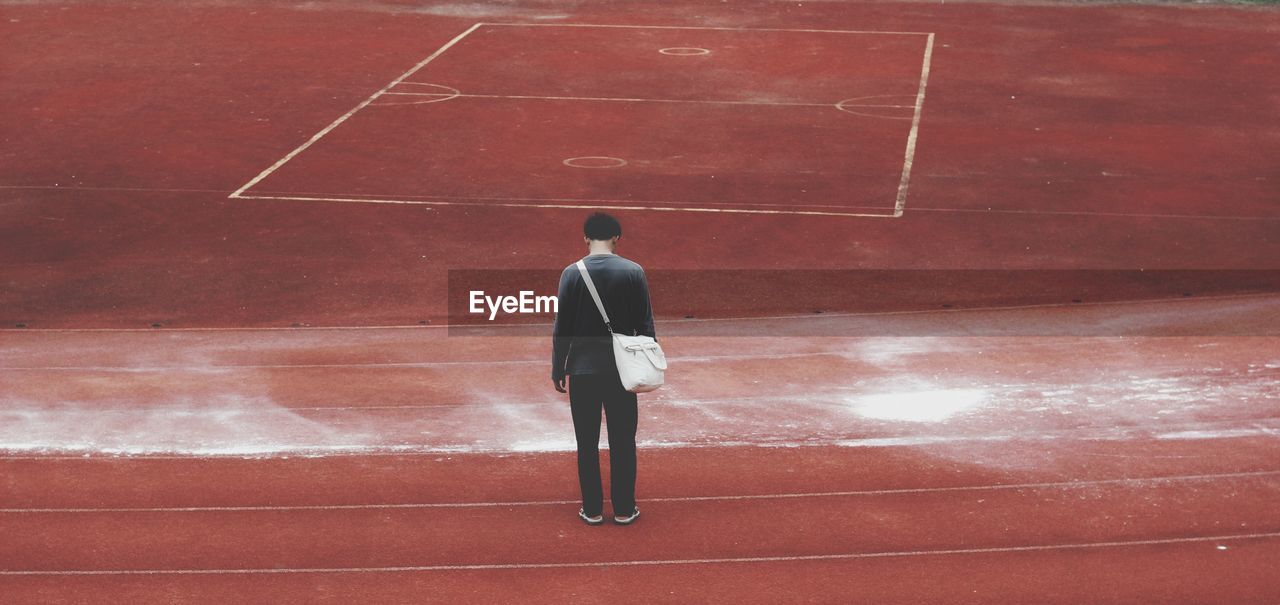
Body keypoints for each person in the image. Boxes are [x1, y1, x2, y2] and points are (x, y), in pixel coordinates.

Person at [552, 212, 655, 526]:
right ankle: (624, 509)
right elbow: (645, 324)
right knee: (624, 440)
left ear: (585, 238)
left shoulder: (571, 273)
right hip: (623, 372)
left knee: (587, 441)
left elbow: (562, 327)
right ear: (617, 238)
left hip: (582, 371)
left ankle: (592, 509)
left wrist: (559, 367)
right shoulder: (633, 272)